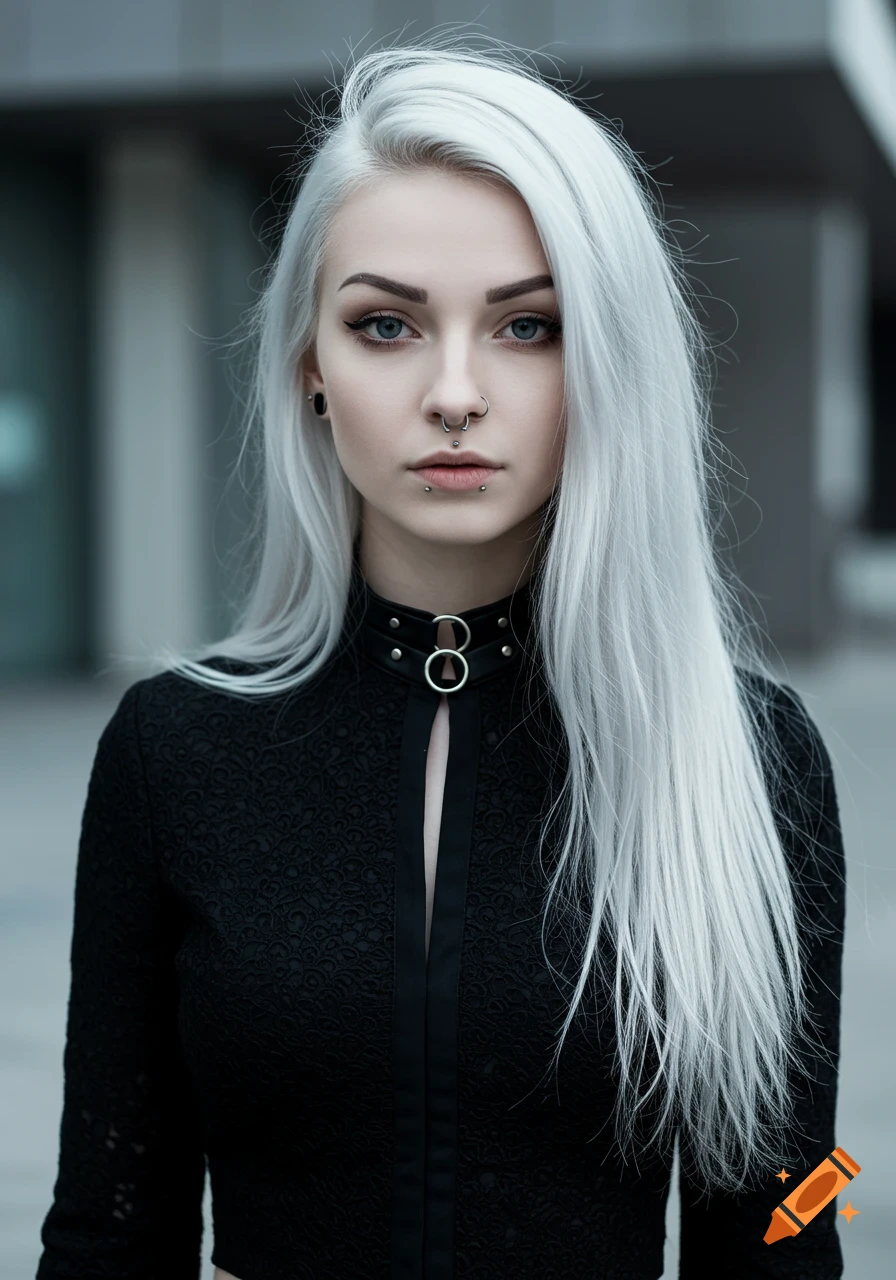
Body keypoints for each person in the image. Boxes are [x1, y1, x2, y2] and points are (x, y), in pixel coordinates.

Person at [36, 37, 847, 1280]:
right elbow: (108, 1223)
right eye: (385, 325)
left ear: (605, 366)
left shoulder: (744, 756)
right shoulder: (175, 750)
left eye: (527, 325)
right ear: (312, 370)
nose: (455, 391)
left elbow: (788, 1226)